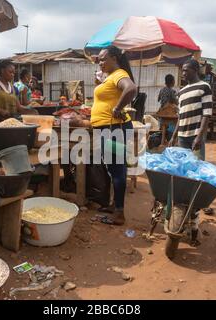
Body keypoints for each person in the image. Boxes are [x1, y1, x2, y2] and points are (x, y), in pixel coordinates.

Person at [91, 45, 137, 226]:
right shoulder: (109, 76)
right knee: (113, 168)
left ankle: (119, 213)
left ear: (115, 59)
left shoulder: (118, 74)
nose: (100, 62)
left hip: (114, 129)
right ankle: (114, 205)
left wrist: (118, 108)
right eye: (99, 60)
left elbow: (131, 88)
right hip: (109, 129)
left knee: (117, 170)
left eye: (104, 59)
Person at [169, 58, 213, 245]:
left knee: (195, 178)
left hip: (195, 137)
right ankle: (178, 213)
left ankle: (194, 224)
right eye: (182, 70)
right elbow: (180, 116)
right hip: (182, 138)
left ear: (195, 70)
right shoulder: (181, 91)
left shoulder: (204, 87)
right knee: (181, 175)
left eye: (186, 70)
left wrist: (199, 136)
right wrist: (173, 136)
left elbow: (206, 114)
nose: (183, 73)